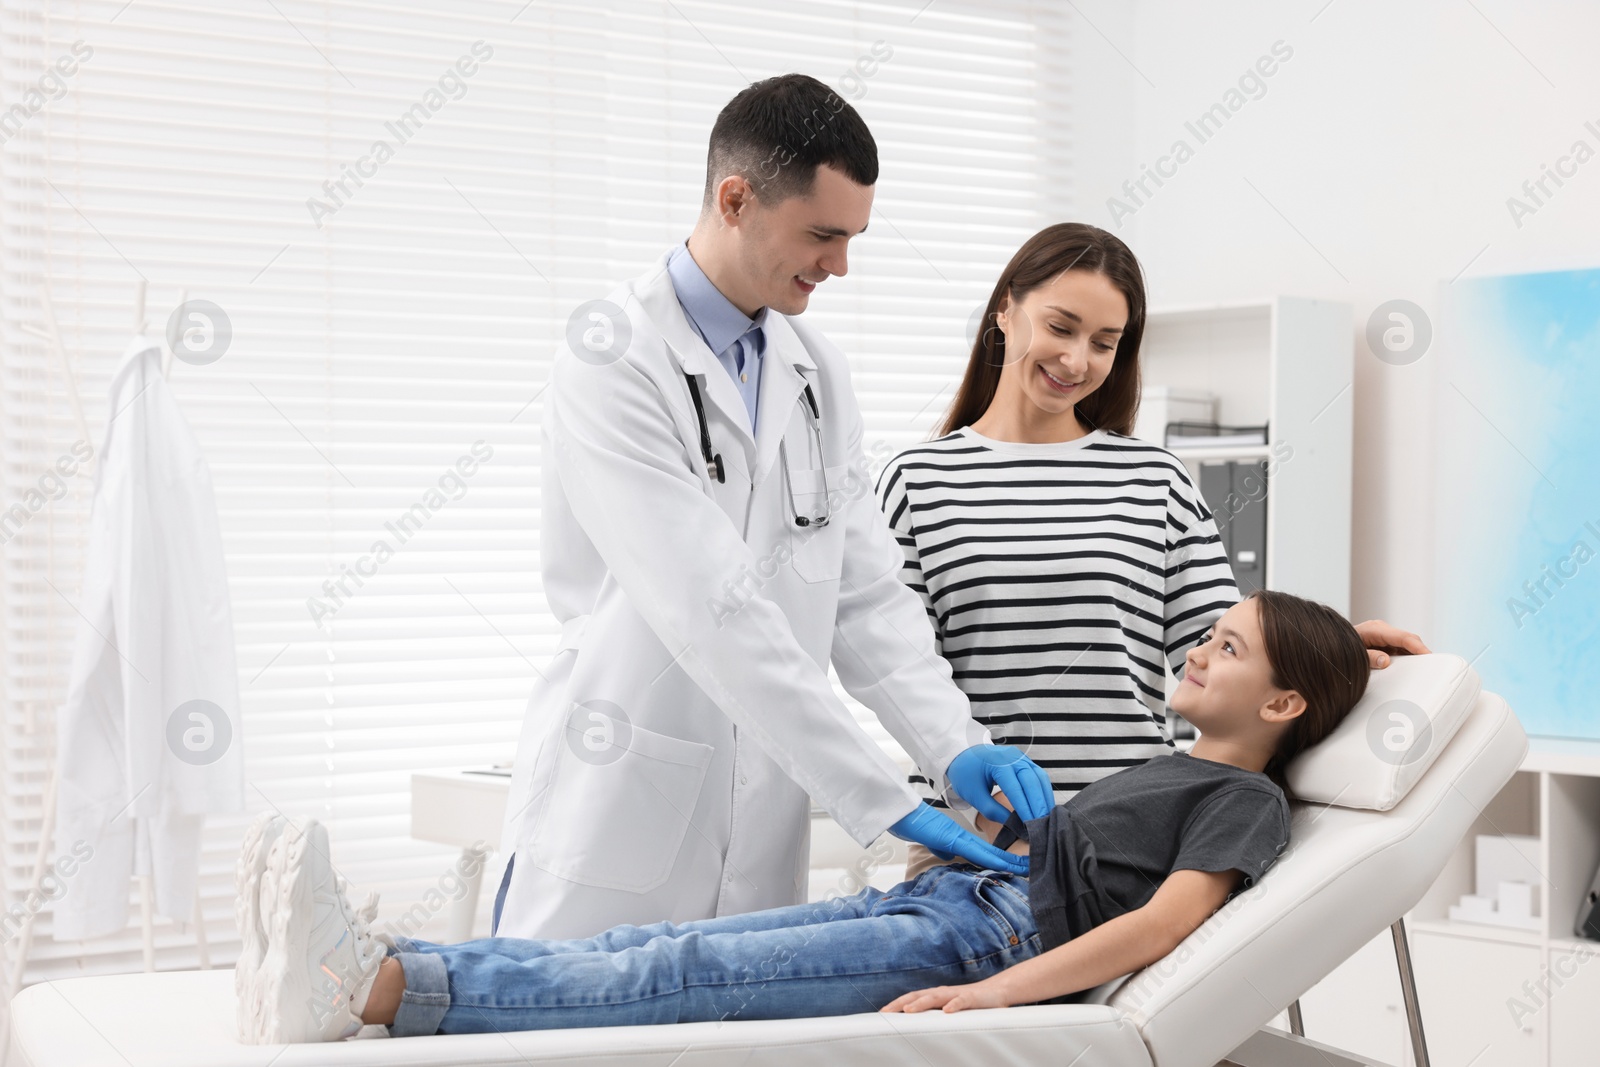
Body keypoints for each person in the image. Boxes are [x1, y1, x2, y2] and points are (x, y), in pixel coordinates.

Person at [236, 588, 1368, 1043]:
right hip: (948, 898)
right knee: (656, 949)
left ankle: (377, 985)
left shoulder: (1245, 798)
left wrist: (988, 994)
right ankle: (385, 961)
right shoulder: (1179, 763)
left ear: (1280, 702)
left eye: (1225, 645)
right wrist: (1359, 644)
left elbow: (1161, 928)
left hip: (983, 937)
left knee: (671, 975)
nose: (1198, 646)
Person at [488, 72, 1052, 943]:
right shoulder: (614, 357)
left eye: (854, 237)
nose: (841, 265)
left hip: (762, 817)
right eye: (824, 234)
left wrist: (953, 743)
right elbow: (708, 605)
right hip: (623, 788)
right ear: (737, 198)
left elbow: (865, 595)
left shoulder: (817, 373)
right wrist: (878, 794)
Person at [875, 222, 1430, 879]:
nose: (1077, 360)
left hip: (1125, 845)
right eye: (1061, 326)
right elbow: (896, 669)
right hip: (968, 848)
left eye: (1104, 343)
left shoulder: (1153, 481)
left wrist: (1326, 646)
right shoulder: (917, 480)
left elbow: (1219, 648)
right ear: (1006, 310)